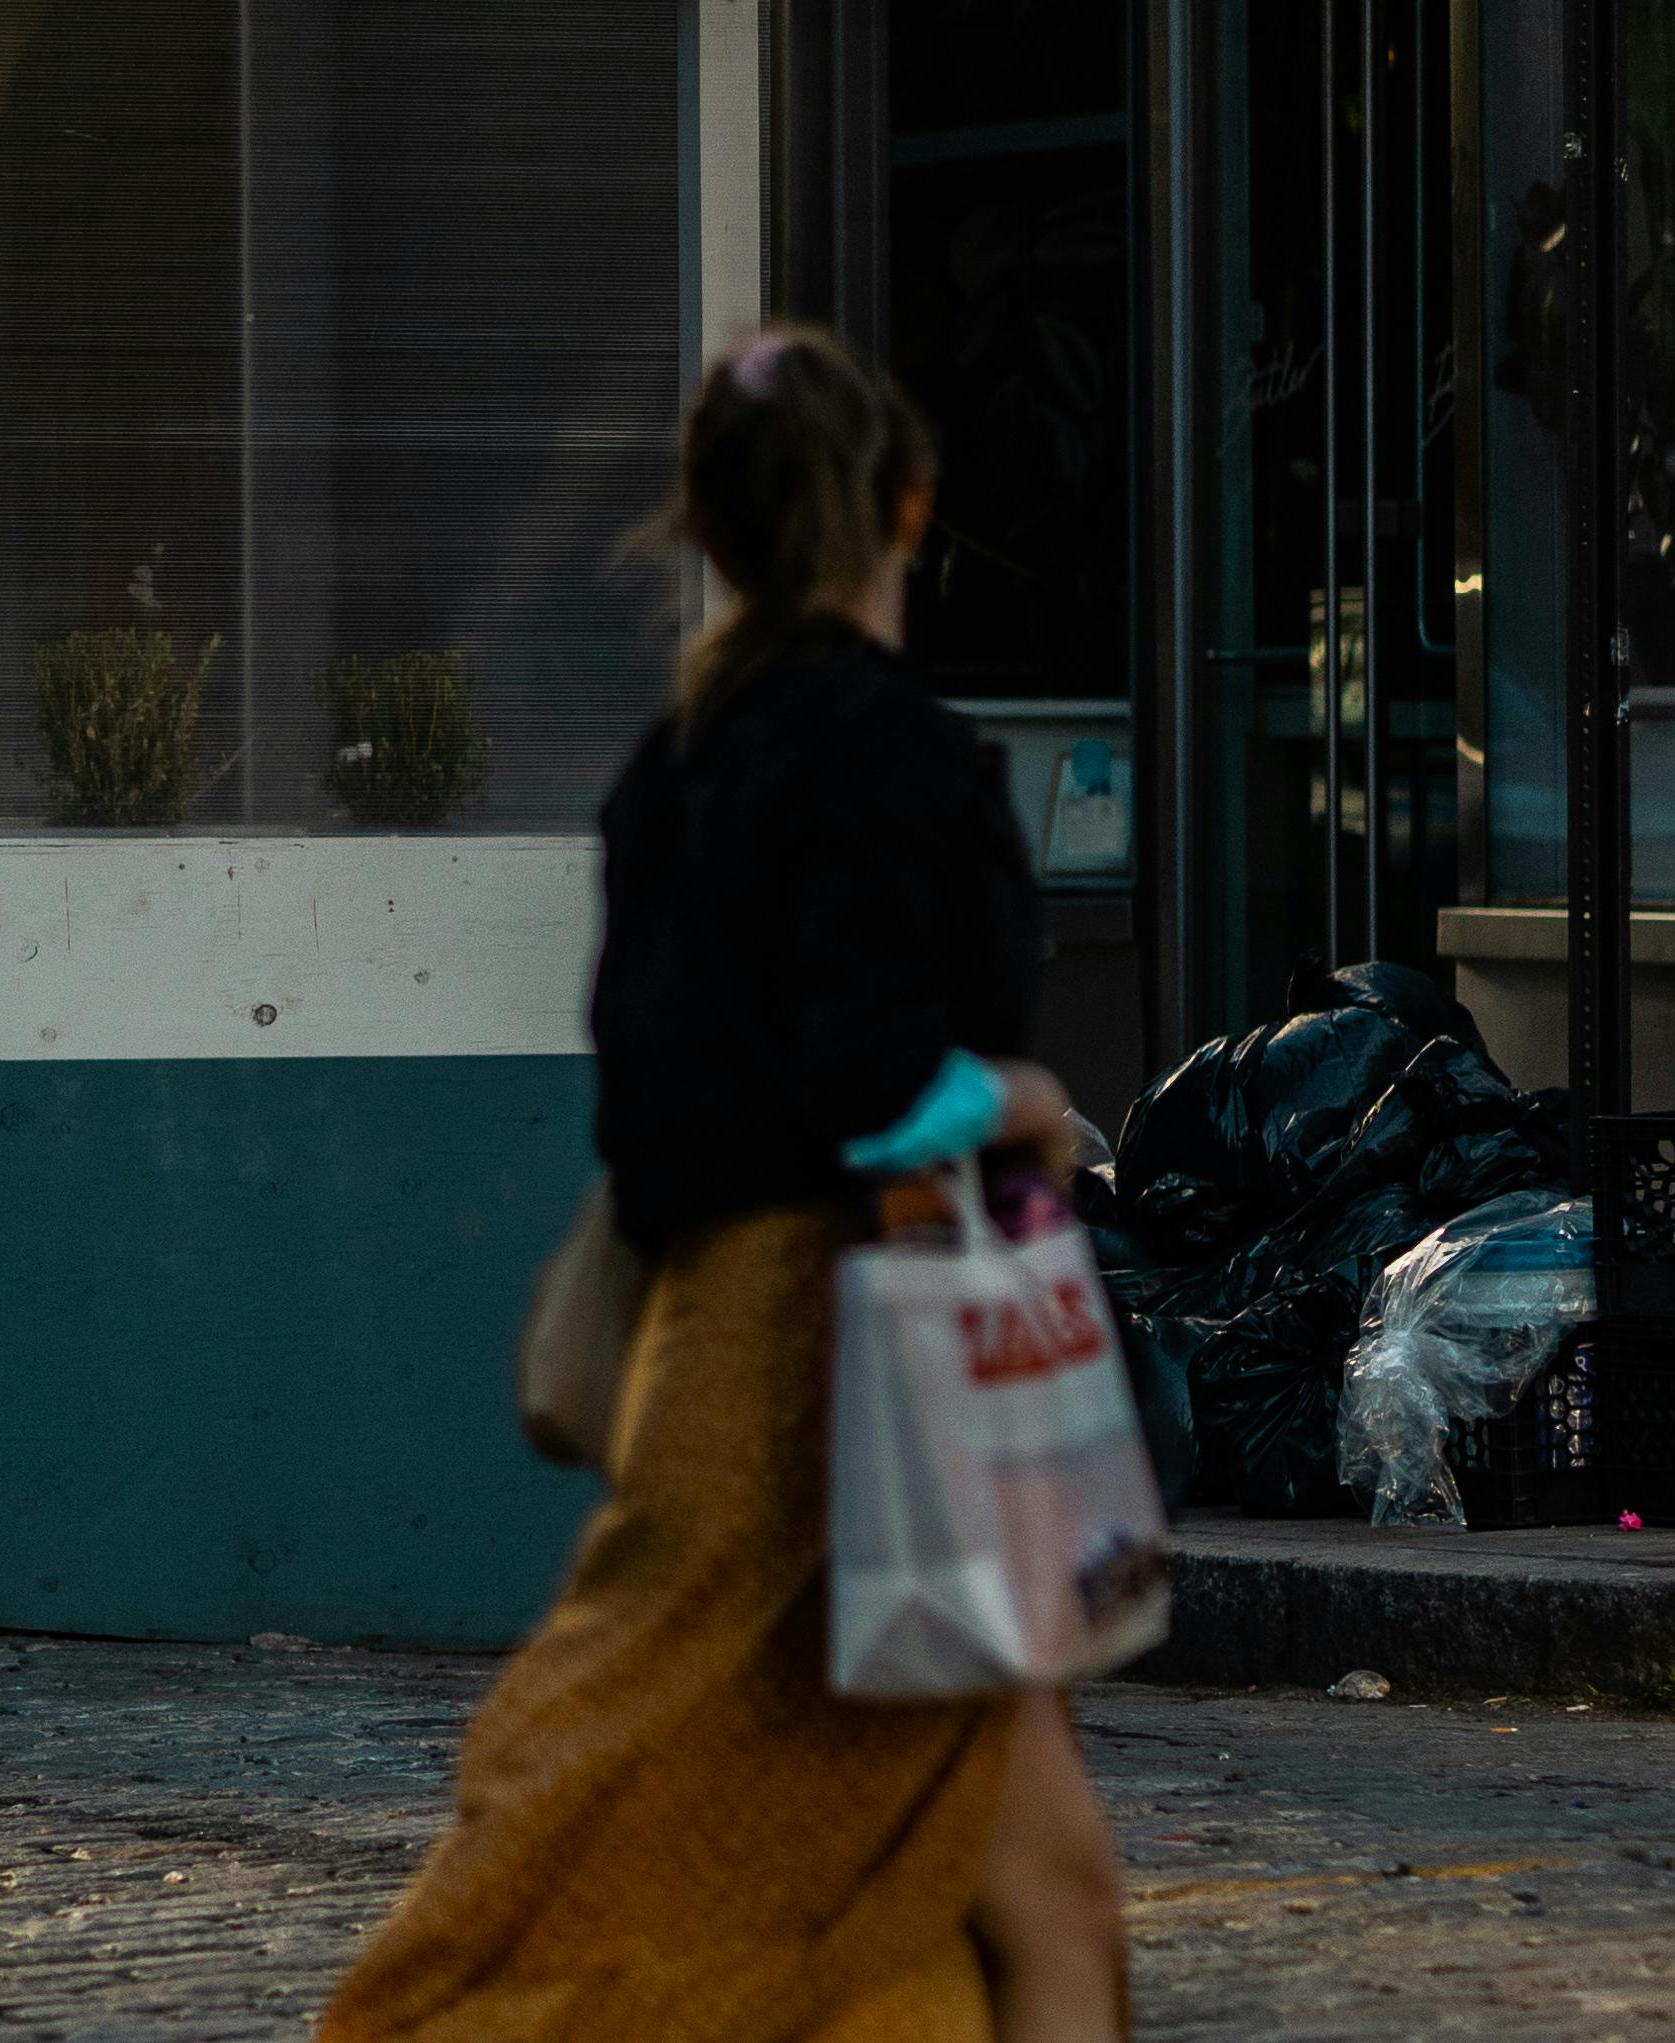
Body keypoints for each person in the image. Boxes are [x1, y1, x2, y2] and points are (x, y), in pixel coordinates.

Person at [315, 325, 1129, 2043]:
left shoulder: (670, 769)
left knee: (765, 1831)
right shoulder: (889, 755)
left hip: (714, 1368)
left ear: (705, 534)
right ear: (909, 506)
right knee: (1032, 1898)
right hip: (876, 1379)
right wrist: (1029, 1093)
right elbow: (874, 1091)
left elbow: (659, 1091)